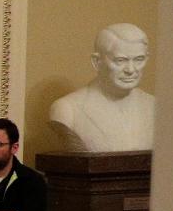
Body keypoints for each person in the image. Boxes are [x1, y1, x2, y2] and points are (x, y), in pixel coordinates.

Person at [45, 22, 156, 153]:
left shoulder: (155, 106)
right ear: (97, 62)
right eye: (120, 60)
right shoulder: (68, 110)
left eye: (139, 59)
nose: (131, 70)